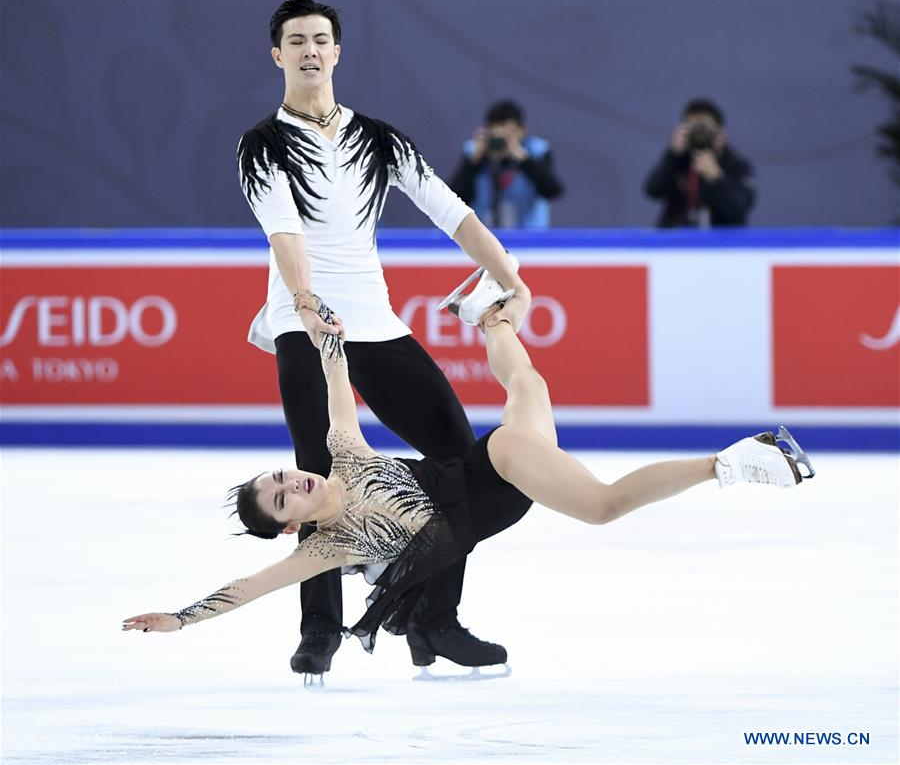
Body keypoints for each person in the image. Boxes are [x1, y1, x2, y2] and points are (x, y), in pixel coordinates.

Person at [123, 274, 816, 666]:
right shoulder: (330, 546)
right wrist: (181, 620)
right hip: (500, 498)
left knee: (603, 505)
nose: (289, 482)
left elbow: (336, 371)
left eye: (278, 476)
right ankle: (487, 315)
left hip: (495, 472)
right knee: (529, 389)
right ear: (289, 526)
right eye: (281, 499)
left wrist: (305, 321)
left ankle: (733, 462)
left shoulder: (342, 450)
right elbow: (252, 586)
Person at [235, 0, 533, 679]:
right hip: (302, 322)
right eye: (296, 41)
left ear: (337, 52)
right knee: (316, 471)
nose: (310, 50)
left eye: (320, 39)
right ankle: (321, 631)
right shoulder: (261, 145)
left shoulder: (381, 140)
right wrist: (307, 306)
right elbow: (284, 231)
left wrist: (509, 276)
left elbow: (450, 212)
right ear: (277, 54)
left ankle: (432, 620)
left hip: (375, 321)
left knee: (461, 458)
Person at [449, 100, 564, 230]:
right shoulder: (473, 152)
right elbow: (454, 198)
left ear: (523, 130)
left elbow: (553, 190)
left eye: (510, 133)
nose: (504, 140)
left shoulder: (537, 151)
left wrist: (523, 159)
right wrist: (474, 163)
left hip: (530, 238)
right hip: (485, 237)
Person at [644, 99, 756, 227]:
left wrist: (716, 177)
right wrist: (672, 155)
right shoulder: (678, 160)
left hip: (722, 242)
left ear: (720, 134)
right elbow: (652, 191)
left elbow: (738, 208)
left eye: (703, 128)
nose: (698, 134)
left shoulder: (737, 165)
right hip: (679, 240)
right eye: (692, 128)